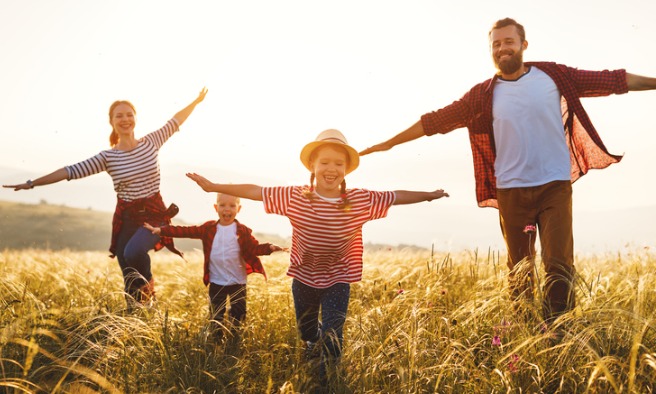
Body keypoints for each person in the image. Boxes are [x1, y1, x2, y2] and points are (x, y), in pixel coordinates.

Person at [360, 17, 656, 324]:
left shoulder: (553, 76)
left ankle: (559, 332)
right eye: (496, 43)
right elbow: (436, 121)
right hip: (511, 191)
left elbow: (613, 81)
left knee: (558, 264)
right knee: (520, 269)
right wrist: (389, 143)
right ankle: (524, 332)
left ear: (523, 46)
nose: (502, 48)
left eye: (509, 42)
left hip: (553, 186)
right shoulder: (482, 95)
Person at [185, 128, 448, 384]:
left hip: (338, 278)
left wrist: (428, 196)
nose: (331, 169)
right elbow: (257, 191)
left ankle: (326, 382)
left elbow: (395, 196)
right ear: (312, 165)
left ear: (346, 169)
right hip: (304, 278)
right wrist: (213, 187)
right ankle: (313, 341)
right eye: (324, 162)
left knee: (334, 334)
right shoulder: (295, 197)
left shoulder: (359, 200)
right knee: (308, 331)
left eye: (338, 163)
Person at [3, 87, 208, 310]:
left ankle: (150, 293)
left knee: (134, 252)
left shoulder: (152, 141)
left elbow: (175, 121)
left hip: (154, 214)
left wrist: (195, 102)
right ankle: (135, 314)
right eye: (119, 115)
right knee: (126, 265)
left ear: (136, 118)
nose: (125, 119)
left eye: (129, 114)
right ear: (111, 122)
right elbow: (69, 171)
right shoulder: (108, 157)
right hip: (128, 218)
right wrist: (32, 183)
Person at [144, 193, 285, 343]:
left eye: (232, 205)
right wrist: (162, 230)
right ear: (216, 208)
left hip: (238, 281)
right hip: (217, 281)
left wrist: (269, 247)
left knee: (239, 314)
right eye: (223, 205)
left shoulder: (242, 230)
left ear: (239, 208)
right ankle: (216, 341)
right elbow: (186, 231)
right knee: (216, 316)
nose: (227, 209)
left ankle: (233, 341)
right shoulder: (209, 228)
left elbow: (254, 248)